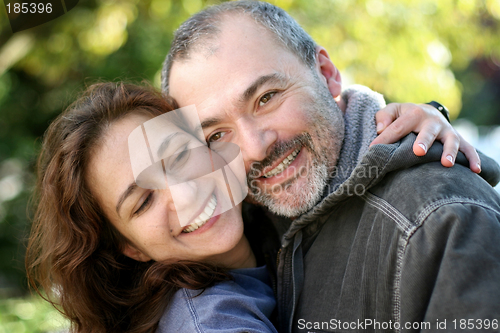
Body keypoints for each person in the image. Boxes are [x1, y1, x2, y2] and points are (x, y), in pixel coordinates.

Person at [160, 1, 500, 332]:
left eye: (266, 97)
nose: (254, 148)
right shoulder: (234, 229)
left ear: (326, 74)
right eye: (217, 135)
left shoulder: (439, 221)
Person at [25, 82, 278, 333]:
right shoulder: (210, 323)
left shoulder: (276, 216)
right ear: (130, 247)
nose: (185, 195)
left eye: (180, 155)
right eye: (144, 201)